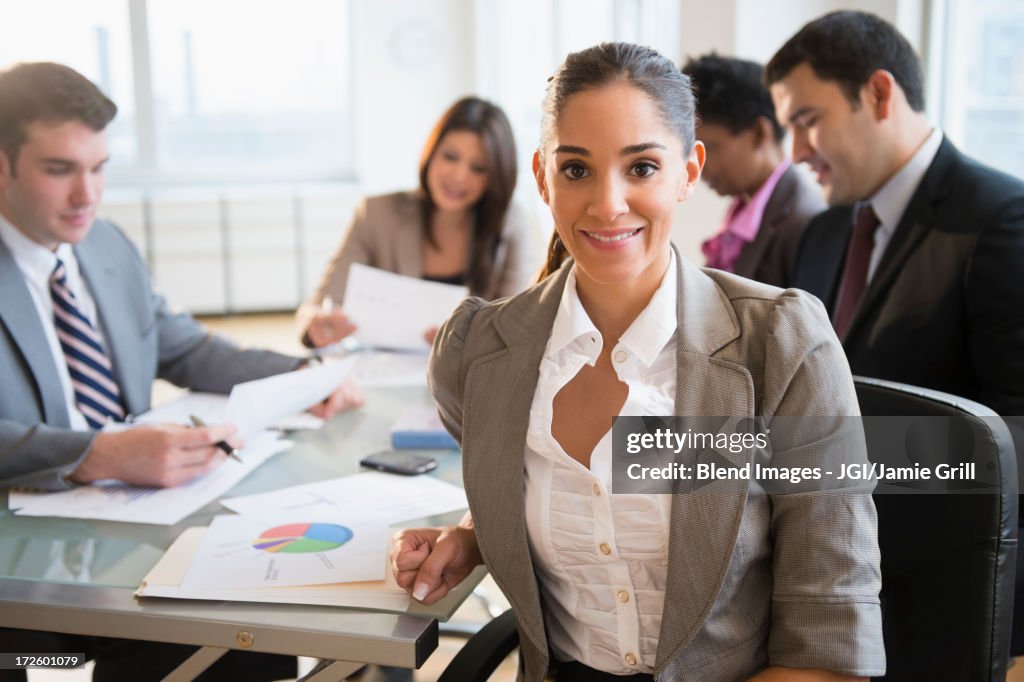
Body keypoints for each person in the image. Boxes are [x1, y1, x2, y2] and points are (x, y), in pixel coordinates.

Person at [391, 42, 884, 681]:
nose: (608, 203)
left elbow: (830, 642)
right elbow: (544, 491)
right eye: (577, 170)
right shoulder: (479, 350)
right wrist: (474, 535)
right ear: (542, 177)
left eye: (642, 167)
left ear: (688, 170)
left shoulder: (783, 343)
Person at [0, 61, 362, 680]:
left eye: (99, 168)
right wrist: (101, 453)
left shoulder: (104, 244)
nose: (87, 195)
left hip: (125, 535)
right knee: (182, 640)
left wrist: (304, 373)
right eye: (59, 170)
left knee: (255, 618)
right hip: (26, 609)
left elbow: (185, 347)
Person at [765, 10, 1024, 671]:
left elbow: (1014, 447)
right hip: (817, 604)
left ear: (879, 94)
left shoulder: (1000, 221)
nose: (795, 153)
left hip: (943, 615)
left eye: (806, 120)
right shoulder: (819, 236)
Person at [296, 96, 537, 348]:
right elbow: (315, 307)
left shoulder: (510, 222)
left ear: (497, 176)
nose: (459, 176)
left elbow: (515, 325)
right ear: (432, 152)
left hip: (467, 375)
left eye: (478, 168)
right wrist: (316, 327)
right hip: (385, 369)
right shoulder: (376, 213)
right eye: (450, 156)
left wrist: (469, 342)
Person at [682, 53, 825, 287]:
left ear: (759, 133)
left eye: (708, 148)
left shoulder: (805, 223)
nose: (696, 164)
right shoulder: (745, 210)